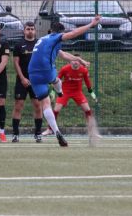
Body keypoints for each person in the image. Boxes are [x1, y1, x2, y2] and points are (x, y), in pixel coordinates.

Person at [28, 15, 101, 147]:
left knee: (45, 103)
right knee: (55, 79)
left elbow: (63, 55)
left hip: (32, 73)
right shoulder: (56, 37)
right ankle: (59, 90)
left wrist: (79, 60)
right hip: (46, 70)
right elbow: (73, 33)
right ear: (60, 32)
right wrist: (91, 24)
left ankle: (56, 131)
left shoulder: (44, 40)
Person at [41, 53, 97, 136]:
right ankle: (50, 129)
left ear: (80, 62)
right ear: (70, 61)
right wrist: (53, 91)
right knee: (56, 110)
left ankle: (92, 132)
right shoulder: (65, 69)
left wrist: (91, 92)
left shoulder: (84, 70)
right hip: (65, 92)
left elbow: (87, 81)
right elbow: (57, 80)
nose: (75, 62)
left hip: (78, 92)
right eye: (74, 60)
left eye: (78, 60)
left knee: (88, 110)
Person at [11, 22, 43, 143]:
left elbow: (42, 61)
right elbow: (16, 63)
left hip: (36, 81)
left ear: (35, 31)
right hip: (22, 80)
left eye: (32, 29)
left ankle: (38, 133)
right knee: (18, 105)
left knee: (37, 106)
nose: (30, 31)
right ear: (24, 31)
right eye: (28, 29)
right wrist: (22, 78)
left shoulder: (39, 44)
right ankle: (15, 134)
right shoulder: (19, 45)